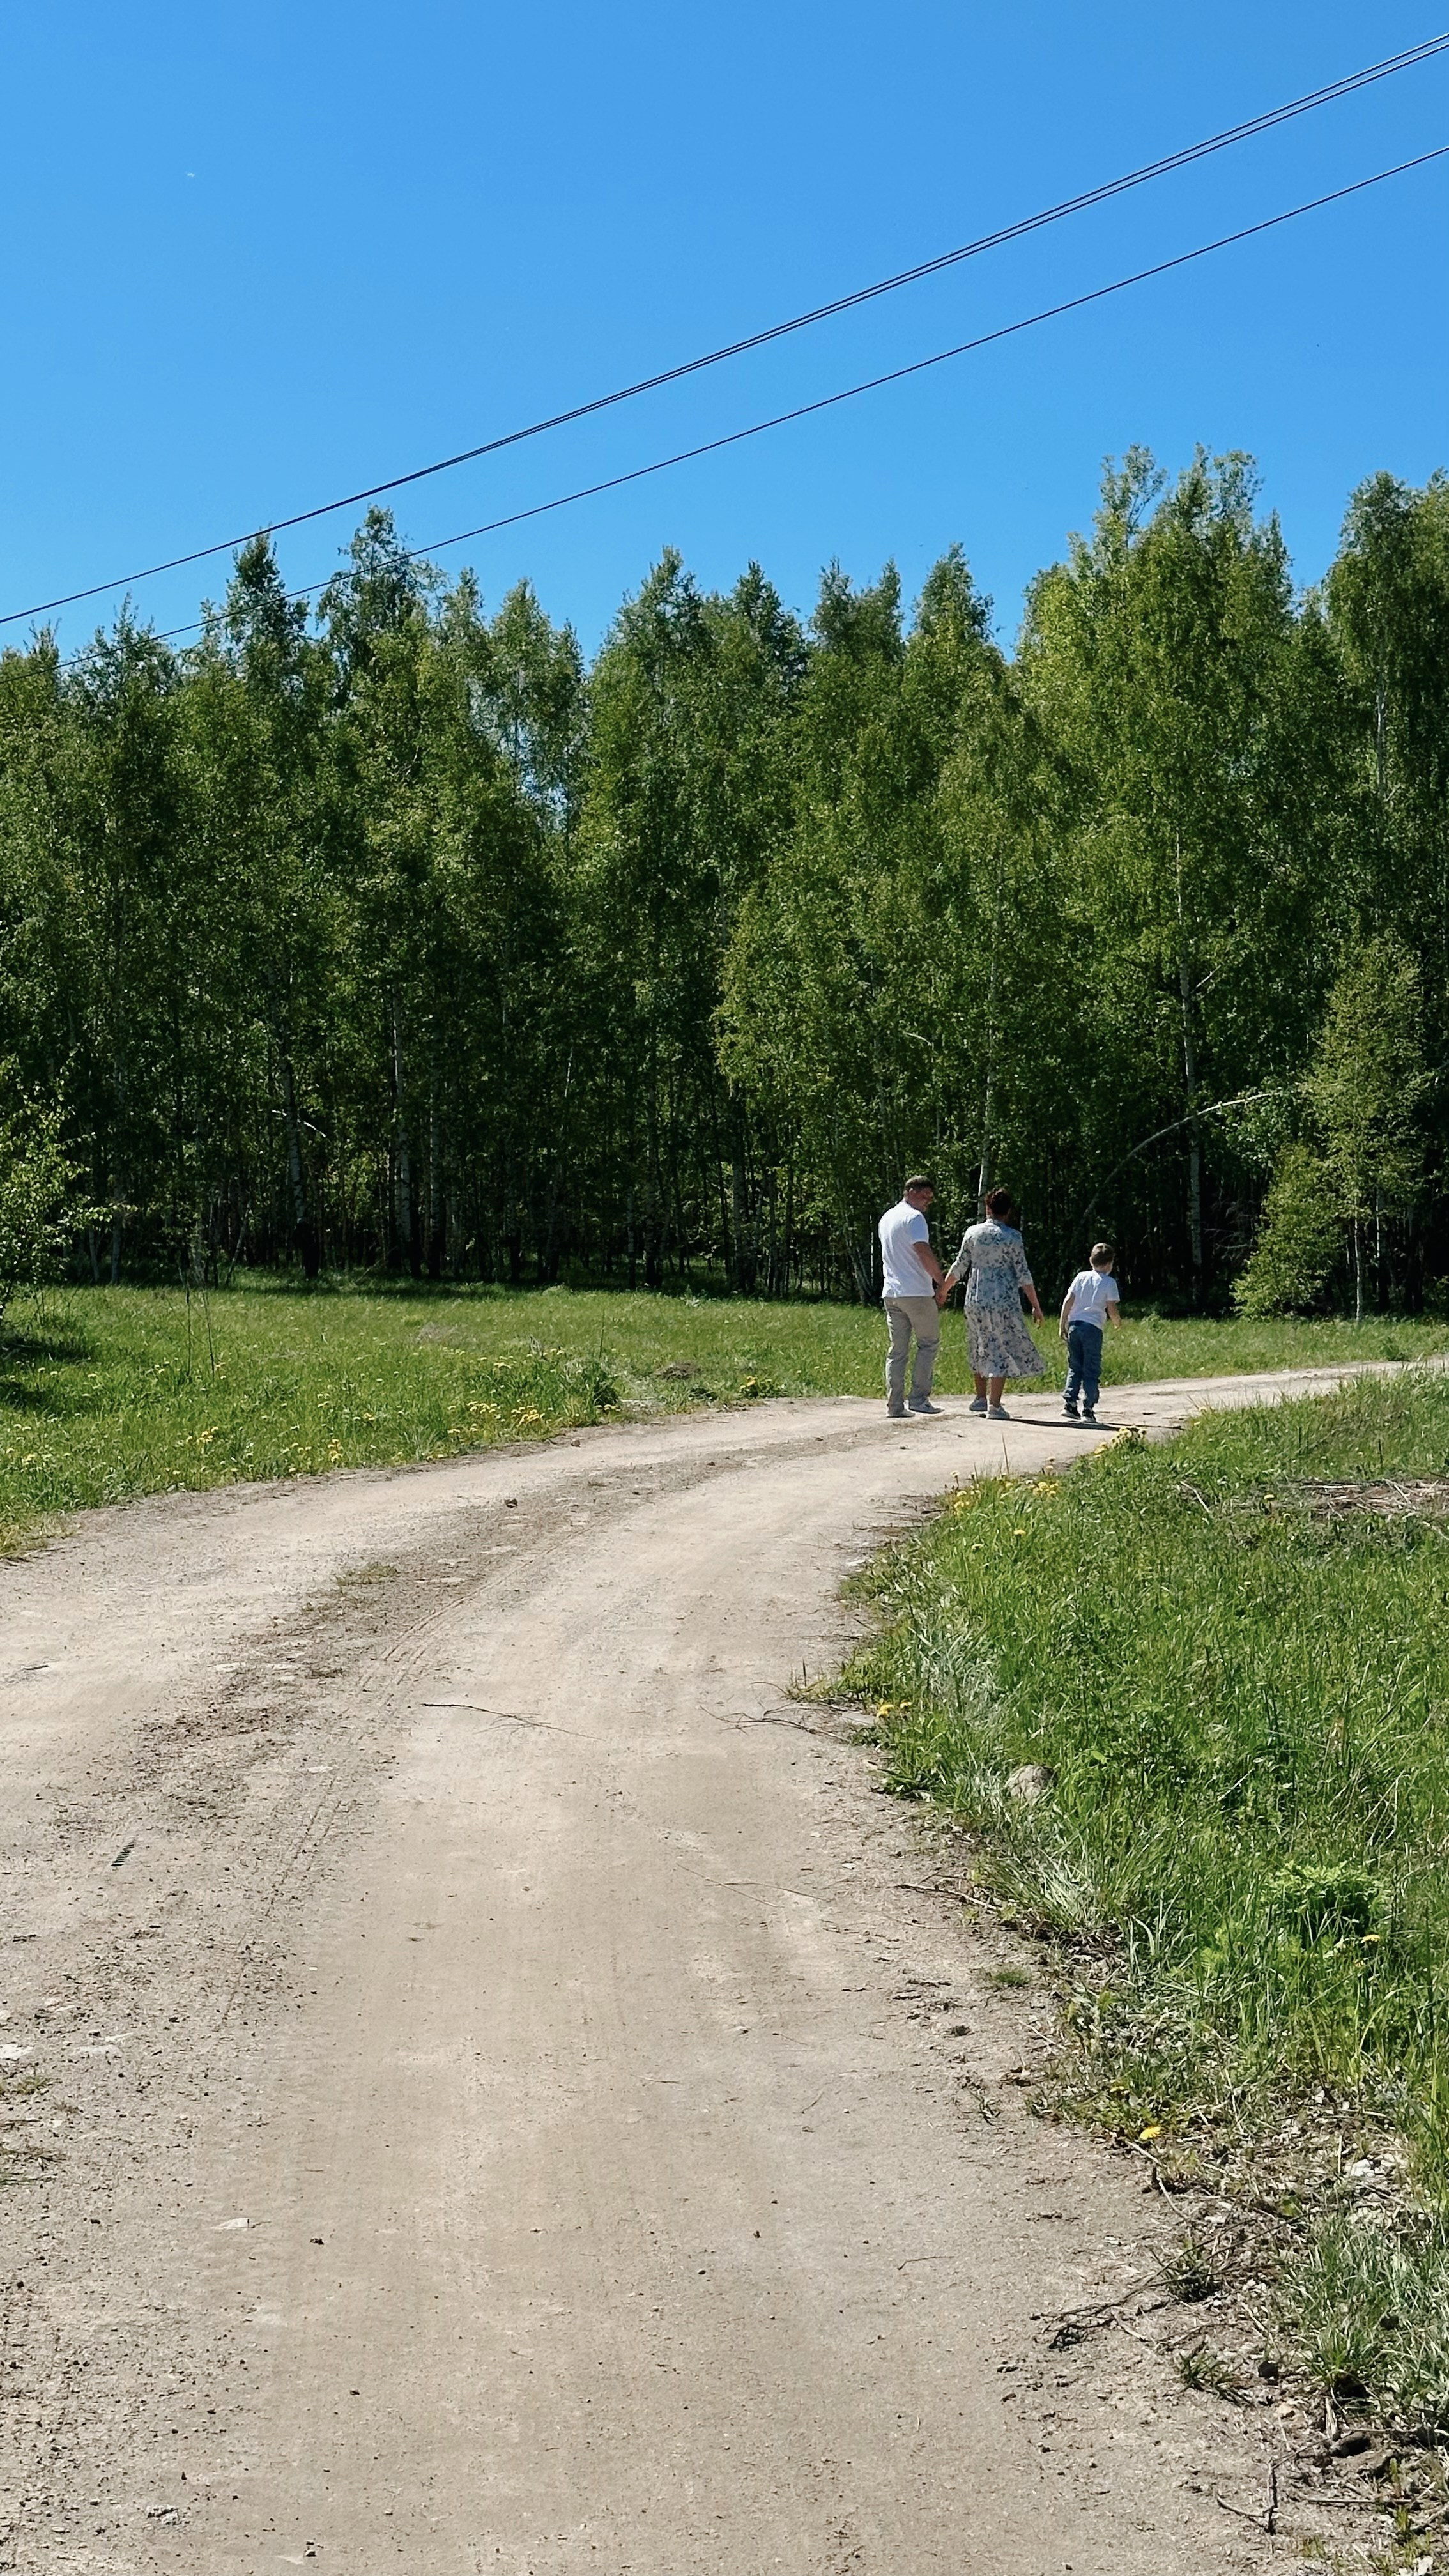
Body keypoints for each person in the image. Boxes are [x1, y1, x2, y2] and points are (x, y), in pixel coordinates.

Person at [942, 1184, 1045, 1420]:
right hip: (1003, 1300)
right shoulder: (1013, 1237)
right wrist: (1036, 1306)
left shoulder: (973, 1233)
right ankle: (995, 1406)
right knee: (1000, 1347)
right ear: (1007, 1211)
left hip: (975, 1298)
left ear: (987, 1208)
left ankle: (980, 1398)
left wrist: (943, 1291)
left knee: (979, 1343)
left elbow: (960, 1266)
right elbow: (1023, 1274)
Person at [878, 1175, 949, 1418]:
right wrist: (941, 1282)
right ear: (910, 1191)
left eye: (930, 1197)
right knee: (928, 1344)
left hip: (892, 1293)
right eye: (924, 1195)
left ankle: (894, 1405)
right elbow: (923, 1252)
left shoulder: (887, 1217)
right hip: (917, 1292)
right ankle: (919, 1399)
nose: (928, 1201)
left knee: (897, 1351)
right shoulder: (914, 1218)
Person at [1059, 1240, 1121, 1424]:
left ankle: (1070, 1404)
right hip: (1093, 1328)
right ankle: (1088, 1408)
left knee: (1074, 1365)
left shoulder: (1081, 1277)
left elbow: (1068, 1300)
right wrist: (1117, 1323)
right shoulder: (1109, 1282)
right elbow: (1111, 1308)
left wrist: (1062, 1324)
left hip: (1074, 1326)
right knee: (1091, 1368)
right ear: (1110, 1264)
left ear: (1091, 1260)